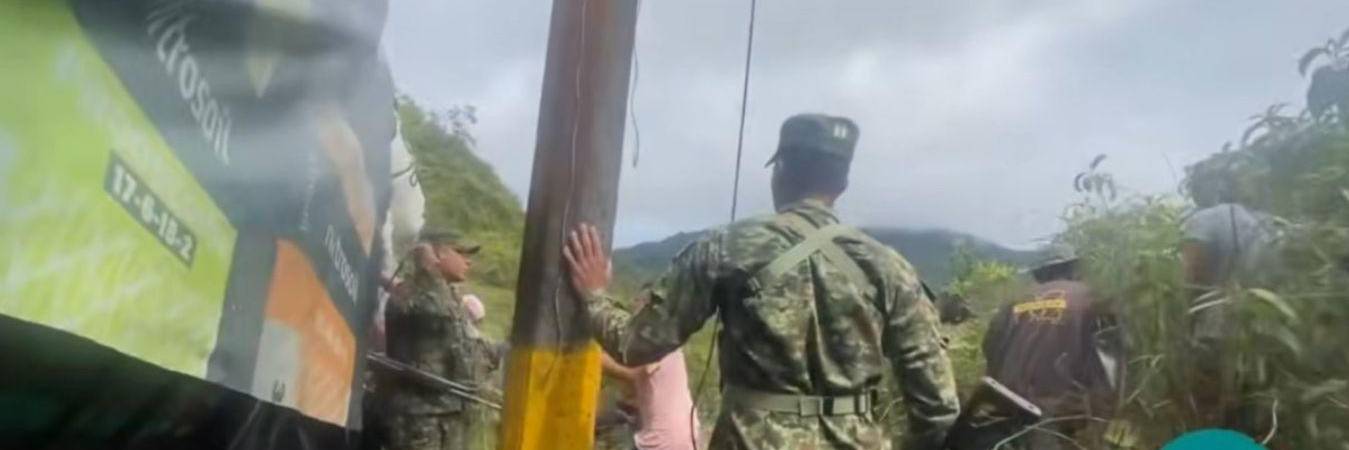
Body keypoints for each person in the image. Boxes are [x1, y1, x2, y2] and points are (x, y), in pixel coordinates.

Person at [562, 114, 960, 450]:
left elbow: (638, 344)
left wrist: (594, 295)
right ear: (842, 184)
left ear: (781, 172)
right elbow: (937, 407)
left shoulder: (726, 247)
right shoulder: (890, 268)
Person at [971, 248, 1117, 450]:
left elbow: (990, 349)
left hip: (1005, 417)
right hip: (1061, 420)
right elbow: (1113, 363)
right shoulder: (1093, 299)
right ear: (1074, 270)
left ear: (1040, 275)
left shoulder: (1013, 303)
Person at [378, 226, 480, 450]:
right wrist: (427, 271)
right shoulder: (411, 294)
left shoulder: (450, 297)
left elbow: (466, 349)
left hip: (447, 419)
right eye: (461, 252)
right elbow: (431, 314)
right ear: (439, 253)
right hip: (418, 422)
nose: (468, 262)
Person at [597, 293, 700, 450]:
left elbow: (633, 374)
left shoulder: (651, 345)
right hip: (691, 438)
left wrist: (595, 357)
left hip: (662, 442)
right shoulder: (672, 345)